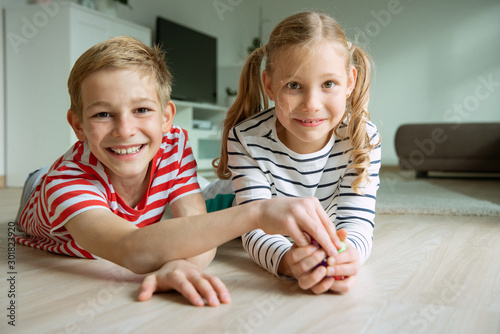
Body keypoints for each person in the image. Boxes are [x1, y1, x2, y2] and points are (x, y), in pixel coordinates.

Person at [13, 36, 343, 307]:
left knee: (194, 201)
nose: (125, 130)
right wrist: (257, 212)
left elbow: (197, 230)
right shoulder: (64, 183)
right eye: (102, 114)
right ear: (77, 125)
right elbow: (130, 248)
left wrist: (179, 265)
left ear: (167, 117)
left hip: (125, 181)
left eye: (142, 110)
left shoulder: (173, 143)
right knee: (47, 180)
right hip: (41, 187)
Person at [214, 11, 381, 294]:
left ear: (350, 82)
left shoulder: (361, 137)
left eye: (328, 84)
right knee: (182, 216)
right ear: (269, 85)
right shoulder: (246, 138)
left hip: (296, 222)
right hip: (225, 201)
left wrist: (345, 257)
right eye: (294, 85)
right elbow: (252, 226)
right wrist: (288, 262)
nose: (312, 104)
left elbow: (356, 222)